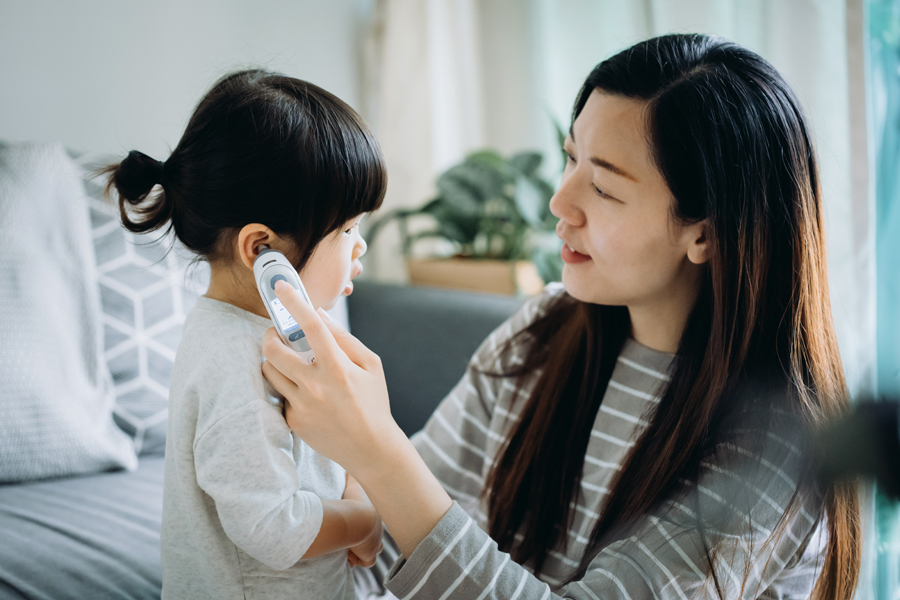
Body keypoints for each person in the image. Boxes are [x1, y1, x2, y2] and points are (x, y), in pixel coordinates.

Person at [261, 34, 862, 599]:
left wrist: (378, 451)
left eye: (603, 188)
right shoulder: (544, 331)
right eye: (572, 159)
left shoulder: (776, 454)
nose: (559, 202)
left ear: (703, 233)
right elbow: (386, 547)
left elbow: (405, 504)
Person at [102, 70, 387, 600]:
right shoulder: (232, 363)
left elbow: (328, 450)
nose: (360, 246)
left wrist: (357, 484)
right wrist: (362, 522)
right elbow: (271, 526)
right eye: (347, 229)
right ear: (262, 251)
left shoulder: (282, 329)